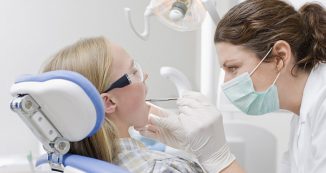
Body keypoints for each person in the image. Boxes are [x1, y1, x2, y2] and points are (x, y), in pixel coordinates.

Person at [139, 0, 326, 173]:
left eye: (233, 68)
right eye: (224, 70)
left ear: (280, 56)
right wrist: (197, 149)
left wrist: (219, 160)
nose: (226, 83)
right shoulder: (302, 117)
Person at [41, 37, 206, 173]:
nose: (145, 75)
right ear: (109, 102)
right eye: (134, 72)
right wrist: (210, 154)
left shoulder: (67, 166)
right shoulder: (167, 168)